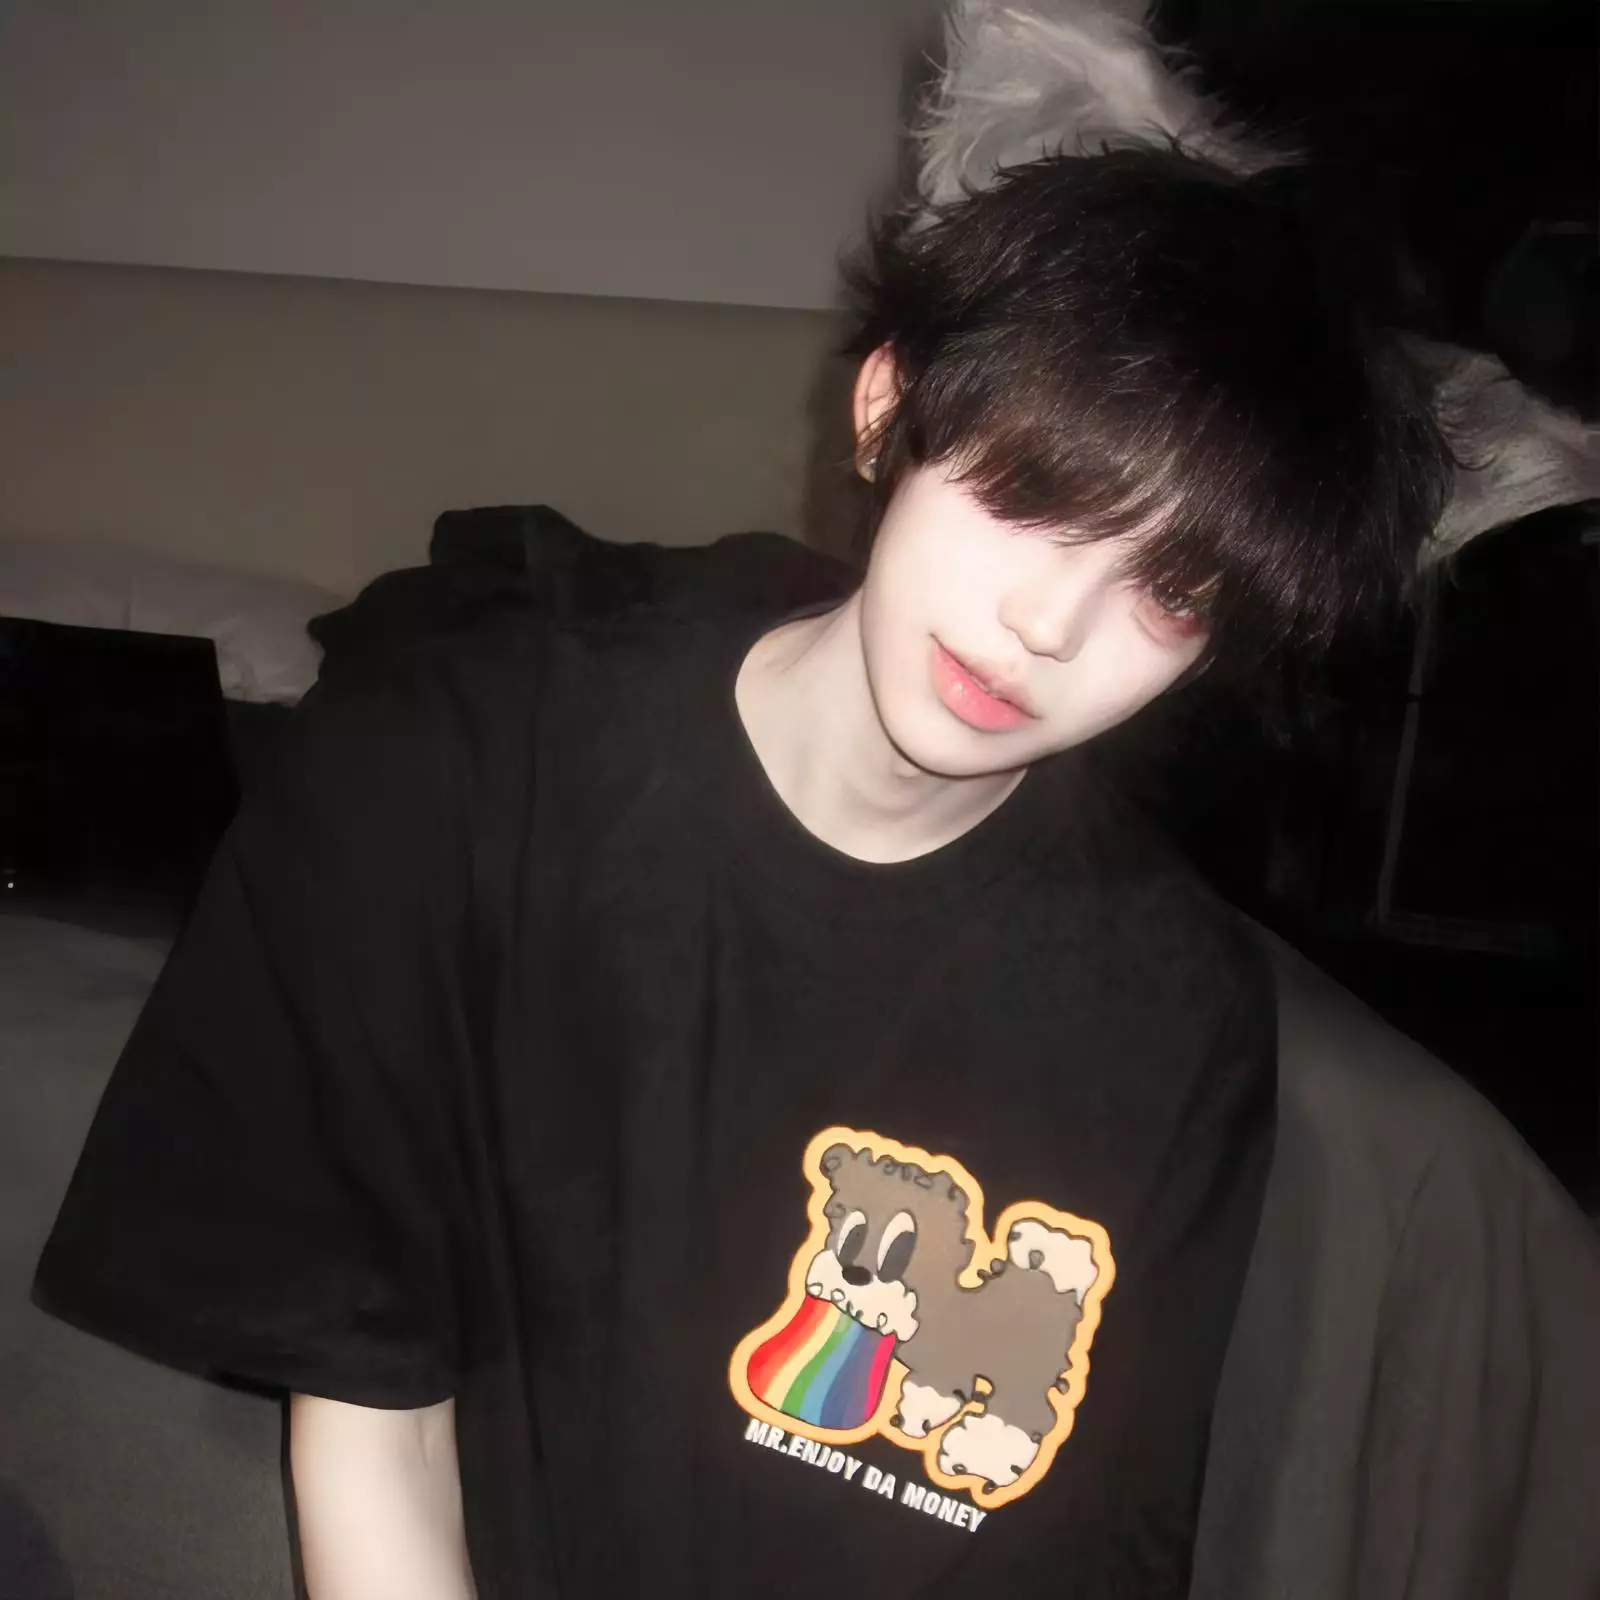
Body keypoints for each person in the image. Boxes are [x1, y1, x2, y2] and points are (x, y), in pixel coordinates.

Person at [33, 144, 1449, 1598]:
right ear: (888, 406)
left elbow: (1090, 1541)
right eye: (1037, 490)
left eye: (1169, 591)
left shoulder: (1178, 1009)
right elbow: (375, 1423)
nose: (1048, 624)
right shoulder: (447, 767)